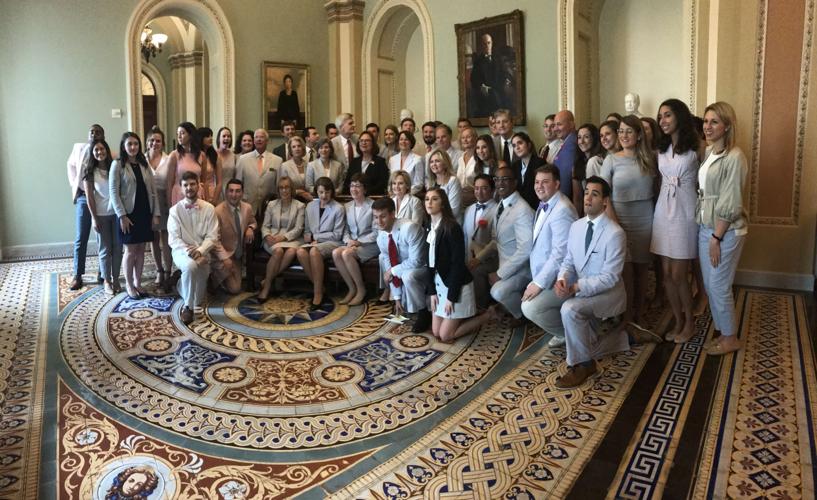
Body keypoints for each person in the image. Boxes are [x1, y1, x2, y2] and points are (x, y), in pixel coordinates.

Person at [553, 176, 659, 389]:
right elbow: (568, 261)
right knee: (585, 341)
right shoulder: (576, 227)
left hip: (609, 294)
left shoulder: (615, 233)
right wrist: (562, 279)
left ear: (605, 202)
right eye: (586, 193)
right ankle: (626, 338)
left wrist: (576, 287)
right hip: (585, 292)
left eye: (595, 194)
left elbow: (610, 278)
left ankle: (582, 364)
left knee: (569, 309)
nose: (588, 198)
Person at [697, 101, 747, 356]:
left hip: (724, 231)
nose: (708, 126)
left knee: (718, 285)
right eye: (706, 121)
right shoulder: (709, 153)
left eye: (714, 121)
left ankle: (730, 338)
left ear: (726, 126)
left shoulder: (735, 157)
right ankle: (722, 330)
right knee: (709, 284)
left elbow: (731, 202)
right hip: (707, 227)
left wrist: (716, 236)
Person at [600, 115, 657, 333]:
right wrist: (615, 224)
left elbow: (658, 190)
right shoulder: (611, 160)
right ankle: (624, 315)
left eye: (629, 131)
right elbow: (604, 196)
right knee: (625, 271)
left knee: (642, 270)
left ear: (639, 135)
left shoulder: (650, 158)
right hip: (619, 218)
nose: (623, 135)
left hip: (645, 218)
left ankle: (639, 313)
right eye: (621, 131)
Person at [651, 98, 701, 344]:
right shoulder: (661, 149)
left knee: (680, 274)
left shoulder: (697, 146)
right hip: (663, 211)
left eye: (668, 115)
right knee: (666, 274)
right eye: (660, 116)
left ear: (679, 116)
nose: (663, 120)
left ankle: (690, 322)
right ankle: (678, 320)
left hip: (685, 212)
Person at [520, 166, 578, 348]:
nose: (539, 186)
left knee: (529, 307)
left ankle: (571, 334)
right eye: (537, 182)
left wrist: (538, 283)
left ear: (557, 184)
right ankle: (563, 331)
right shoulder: (547, 203)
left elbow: (560, 254)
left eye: (545, 182)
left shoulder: (562, 210)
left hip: (562, 279)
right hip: (545, 272)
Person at [473, 166, 533, 325]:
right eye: (497, 179)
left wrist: (500, 273)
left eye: (505, 179)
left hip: (522, 269)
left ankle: (522, 315)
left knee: (497, 291)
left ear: (514, 182)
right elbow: (496, 241)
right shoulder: (502, 203)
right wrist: (478, 258)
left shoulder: (522, 210)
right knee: (478, 271)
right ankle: (504, 307)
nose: (500, 183)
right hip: (504, 263)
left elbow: (526, 249)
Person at [110, 132, 161, 300]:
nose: (133, 147)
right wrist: (121, 215)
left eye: (136, 144)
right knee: (130, 251)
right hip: (128, 214)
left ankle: (138, 283)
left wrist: (156, 213)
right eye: (129, 144)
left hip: (144, 212)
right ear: (124, 146)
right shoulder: (118, 165)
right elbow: (114, 192)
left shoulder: (143, 164)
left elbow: (153, 191)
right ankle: (129, 285)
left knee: (141, 250)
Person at [425, 187, 478, 342]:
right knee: (436, 331)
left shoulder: (452, 227)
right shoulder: (429, 227)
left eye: (435, 199)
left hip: (455, 285)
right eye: (427, 199)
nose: (430, 202)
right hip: (439, 282)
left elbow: (457, 265)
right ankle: (455, 319)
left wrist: (451, 297)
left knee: (445, 335)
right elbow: (429, 263)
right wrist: (432, 292)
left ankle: (488, 315)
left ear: (443, 204)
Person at [373, 197, 431, 332]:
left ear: (393, 214)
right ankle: (407, 304)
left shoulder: (409, 228)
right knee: (385, 260)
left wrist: (392, 271)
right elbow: (389, 264)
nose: (379, 221)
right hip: (404, 269)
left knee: (408, 275)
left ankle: (424, 313)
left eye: (383, 216)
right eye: (375, 217)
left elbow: (417, 261)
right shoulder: (381, 236)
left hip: (425, 267)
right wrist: (396, 297)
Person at [167, 171, 218, 324]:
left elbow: (213, 237)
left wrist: (201, 251)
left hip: (203, 252)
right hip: (182, 252)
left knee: (198, 299)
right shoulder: (174, 211)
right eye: (185, 185)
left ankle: (181, 283)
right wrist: (188, 251)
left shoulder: (209, 209)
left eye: (192, 184)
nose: (189, 188)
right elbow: (174, 239)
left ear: (199, 185)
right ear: (181, 189)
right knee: (190, 267)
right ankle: (187, 308)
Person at [296, 177, 346, 309]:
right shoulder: (310, 206)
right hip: (313, 242)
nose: (324, 196)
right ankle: (321, 287)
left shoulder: (338, 208)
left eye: (327, 192)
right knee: (300, 252)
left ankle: (317, 294)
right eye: (321, 192)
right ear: (316, 192)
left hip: (333, 242)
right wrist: (308, 236)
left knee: (314, 251)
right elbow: (307, 230)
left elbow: (337, 234)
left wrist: (316, 237)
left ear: (332, 192)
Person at [67, 124, 105, 290]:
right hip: (83, 197)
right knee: (81, 236)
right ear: (88, 134)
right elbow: (70, 165)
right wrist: (75, 185)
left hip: (101, 199)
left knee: (102, 237)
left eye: (98, 132)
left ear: (103, 136)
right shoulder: (79, 148)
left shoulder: (106, 151)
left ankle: (102, 272)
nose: (94, 134)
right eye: (92, 132)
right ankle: (77, 274)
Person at [333, 174, 379, 306]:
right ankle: (351, 288)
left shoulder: (373, 205)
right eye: (352, 185)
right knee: (336, 253)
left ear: (365, 189)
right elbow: (345, 230)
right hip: (352, 243)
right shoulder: (346, 206)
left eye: (358, 186)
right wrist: (349, 241)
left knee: (346, 253)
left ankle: (361, 289)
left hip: (371, 244)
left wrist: (358, 242)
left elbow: (377, 232)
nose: (354, 189)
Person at [83, 139, 122, 295]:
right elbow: (89, 198)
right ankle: (107, 280)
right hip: (100, 215)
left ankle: (117, 278)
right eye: (96, 150)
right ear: (93, 153)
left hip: (117, 214)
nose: (100, 152)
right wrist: (94, 218)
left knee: (118, 248)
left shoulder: (115, 166)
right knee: (105, 249)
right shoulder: (90, 171)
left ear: (107, 150)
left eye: (102, 149)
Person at [257, 176, 305, 301]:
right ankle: (268, 285)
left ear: (292, 189)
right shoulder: (272, 204)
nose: (284, 190)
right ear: (278, 190)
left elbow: (298, 229)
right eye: (281, 188)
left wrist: (283, 237)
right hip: (272, 238)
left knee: (291, 251)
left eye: (287, 187)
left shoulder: (300, 206)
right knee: (278, 251)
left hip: (292, 239)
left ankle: (267, 282)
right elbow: (265, 225)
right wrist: (267, 236)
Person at [211, 179, 256, 294]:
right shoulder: (218, 211)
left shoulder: (247, 208)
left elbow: (253, 222)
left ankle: (227, 276)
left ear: (242, 193)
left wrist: (250, 228)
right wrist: (225, 258)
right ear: (226, 193)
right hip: (223, 256)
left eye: (237, 191)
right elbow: (215, 240)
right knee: (235, 289)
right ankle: (212, 276)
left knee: (236, 287)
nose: (234, 195)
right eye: (231, 191)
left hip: (238, 257)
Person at [463, 174, 498, 310]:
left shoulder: (497, 210)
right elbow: (467, 236)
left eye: (484, 188)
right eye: (476, 188)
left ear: (492, 190)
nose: (479, 192)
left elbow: (496, 242)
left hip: (490, 258)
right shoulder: (469, 209)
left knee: (477, 271)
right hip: (470, 256)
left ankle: (481, 306)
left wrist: (478, 259)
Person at [145, 126, 172, 289]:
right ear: (147, 142)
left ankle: (168, 270)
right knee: (153, 239)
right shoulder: (141, 159)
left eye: (158, 141)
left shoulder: (168, 159)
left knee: (166, 238)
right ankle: (159, 270)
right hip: (147, 201)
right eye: (152, 140)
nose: (155, 143)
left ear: (163, 143)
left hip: (164, 199)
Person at [235, 128, 282, 213]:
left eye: (262, 137)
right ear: (254, 141)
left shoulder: (277, 160)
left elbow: (278, 186)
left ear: (267, 141)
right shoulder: (243, 159)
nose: (259, 139)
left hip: (269, 208)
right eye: (256, 137)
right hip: (247, 206)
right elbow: (238, 183)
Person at [165, 122, 206, 206]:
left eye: (182, 133)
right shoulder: (174, 155)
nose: (179, 136)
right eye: (178, 134)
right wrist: (169, 204)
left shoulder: (201, 155)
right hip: (179, 194)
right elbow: (169, 182)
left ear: (190, 135)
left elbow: (203, 180)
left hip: (197, 194)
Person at [470, 33, 510, 117]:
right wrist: (481, 86)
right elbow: (473, 79)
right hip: (485, 93)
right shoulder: (478, 62)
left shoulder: (497, 58)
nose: (487, 46)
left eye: (488, 43)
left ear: (491, 43)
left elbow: (504, 73)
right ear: (481, 46)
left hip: (499, 89)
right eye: (484, 44)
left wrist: (506, 80)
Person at [344, 131, 389, 196]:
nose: (363, 143)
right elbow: (347, 183)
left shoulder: (380, 162)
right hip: (355, 199)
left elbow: (383, 184)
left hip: (374, 199)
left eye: (367, 140)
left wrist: (364, 192)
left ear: (373, 143)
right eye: (361, 140)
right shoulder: (354, 162)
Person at [575, 123, 605, 217]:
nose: (582, 141)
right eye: (579, 137)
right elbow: (578, 197)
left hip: (598, 212)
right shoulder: (579, 162)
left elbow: (598, 192)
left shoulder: (595, 161)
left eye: (586, 137)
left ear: (594, 139)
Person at [510, 131, 544, 210]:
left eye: (520, 143)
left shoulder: (540, 163)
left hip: (536, 207)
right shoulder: (515, 166)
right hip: (519, 209)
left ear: (529, 145)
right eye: (514, 146)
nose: (517, 147)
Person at [426, 149, 463, 220]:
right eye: (431, 162)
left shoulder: (453, 181)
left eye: (437, 161)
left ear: (445, 163)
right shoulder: (431, 183)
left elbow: (454, 210)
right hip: (435, 222)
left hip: (450, 223)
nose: (434, 164)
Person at [389, 130, 425, 196]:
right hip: (394, 196)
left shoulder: (418, 159)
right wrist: (393, 193)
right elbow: (391, 180)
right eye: (401, 139)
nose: (403, 142)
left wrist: (406, 194)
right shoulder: (392, 159)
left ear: (411, 142)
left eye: (406, 139)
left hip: (410, 195)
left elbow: (418, 183)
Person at [553, 110, 578, 200]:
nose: (555, 129)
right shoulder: (567, 142)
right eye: (554, 125)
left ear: (571, 125)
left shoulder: (571, 145)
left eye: (559, 124)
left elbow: (565, 180)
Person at [279, 135, 311, 202]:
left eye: (299, 146)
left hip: (308, 200)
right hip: (291, 201)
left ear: (303, 148)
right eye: (294, 147)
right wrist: (299, 192)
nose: (297, 148)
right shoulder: (285, 166)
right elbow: (283, 188)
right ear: (290, 150)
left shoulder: (309, 165)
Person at [197, 126, 221, 204]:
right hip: (197, 191)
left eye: (211, 136)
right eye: (207, 136)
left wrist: (214, 200)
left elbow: (219, 182)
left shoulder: (214, 155)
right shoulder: (195, 156)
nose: (210, 138)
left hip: (212, 193)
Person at [455, 126, 479, 206]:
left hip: (476, 198)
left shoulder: (479, 157)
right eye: (463, 138)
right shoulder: (460, 158)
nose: (465, 140)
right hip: (461, 198)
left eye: (468, 137)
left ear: (475, 138)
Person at [216, 127, 236, 199]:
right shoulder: (213, 155)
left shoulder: (234, 156)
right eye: (224, 136)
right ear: (219, 139)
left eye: (229, 136)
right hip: (216, 191)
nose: (226, 138)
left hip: (230, 192)